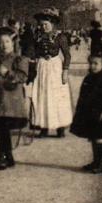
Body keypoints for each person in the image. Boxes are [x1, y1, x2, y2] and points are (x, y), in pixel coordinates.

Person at [0, 27, 30, 171]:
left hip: (11, 102)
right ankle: (8, 157)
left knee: (3, 128)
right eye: (1, 42)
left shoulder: (19, 59)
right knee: (1, 128)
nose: (4, 45)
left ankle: (2, 157)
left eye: (7, 41)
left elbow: (22, 77)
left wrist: (8, 73)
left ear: (13, 42)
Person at [71, 51, 102, 174]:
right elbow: (83, 94)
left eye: (96, 63)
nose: (92, 66)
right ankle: (95, 161)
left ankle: (101, 163)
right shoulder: (89, 77)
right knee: (93, 137)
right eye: (91, 63)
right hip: (89, 112)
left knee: (100, 138)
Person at [28, 8, 73, 138]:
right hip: (42, 67)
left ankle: (60, 127)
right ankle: (43, 127)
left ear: (52, 24)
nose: (43, 27)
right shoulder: (37, 37)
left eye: (46, 24)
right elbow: (33, 52)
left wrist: (65, 71)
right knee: (42, 95)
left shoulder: (60, 37)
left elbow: (67, 55)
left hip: (55, 67)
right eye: (41, 25)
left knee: (57, 96)